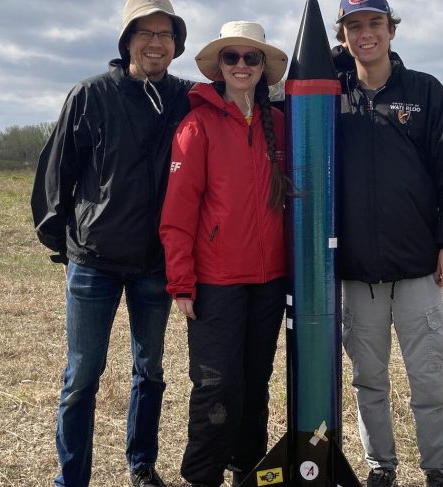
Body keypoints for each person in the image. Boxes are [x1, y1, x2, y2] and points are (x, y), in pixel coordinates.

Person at [30, 0, 193, 485]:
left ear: (176, 44)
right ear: (126, 42)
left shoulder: (187, 97)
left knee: (151, 371)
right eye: (145, 32)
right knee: (82, 377)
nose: (155, 42)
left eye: (165, 33)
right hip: (94, 263)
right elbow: (56, 175)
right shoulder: (90, 95)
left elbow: (248, 92)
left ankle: (141, 466)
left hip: (155, 264)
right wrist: (63, 246)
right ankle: (71, 478)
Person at [331, 1, 443, 486]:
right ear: (343, 35)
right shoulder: (332, 95)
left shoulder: (425, 91)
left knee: (429, 378)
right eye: (354, 26)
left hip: (418, 269)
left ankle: (438, 471)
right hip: (357, 274)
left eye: (374, 23)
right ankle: (381, 467)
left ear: (391, 30)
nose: (365, 34)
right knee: (367, 381)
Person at [159, 21, 290, 487]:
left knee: (256, 387)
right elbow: (177, 213)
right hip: (216, 282)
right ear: (219, 66)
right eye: (231, 58)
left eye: (250, 58)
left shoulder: (279, 125)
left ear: (262, 68)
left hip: (271, 281)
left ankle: (249, 473)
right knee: (217, 386)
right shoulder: (197, 125)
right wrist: (181, 283)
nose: (241, 65)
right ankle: (202, 476)